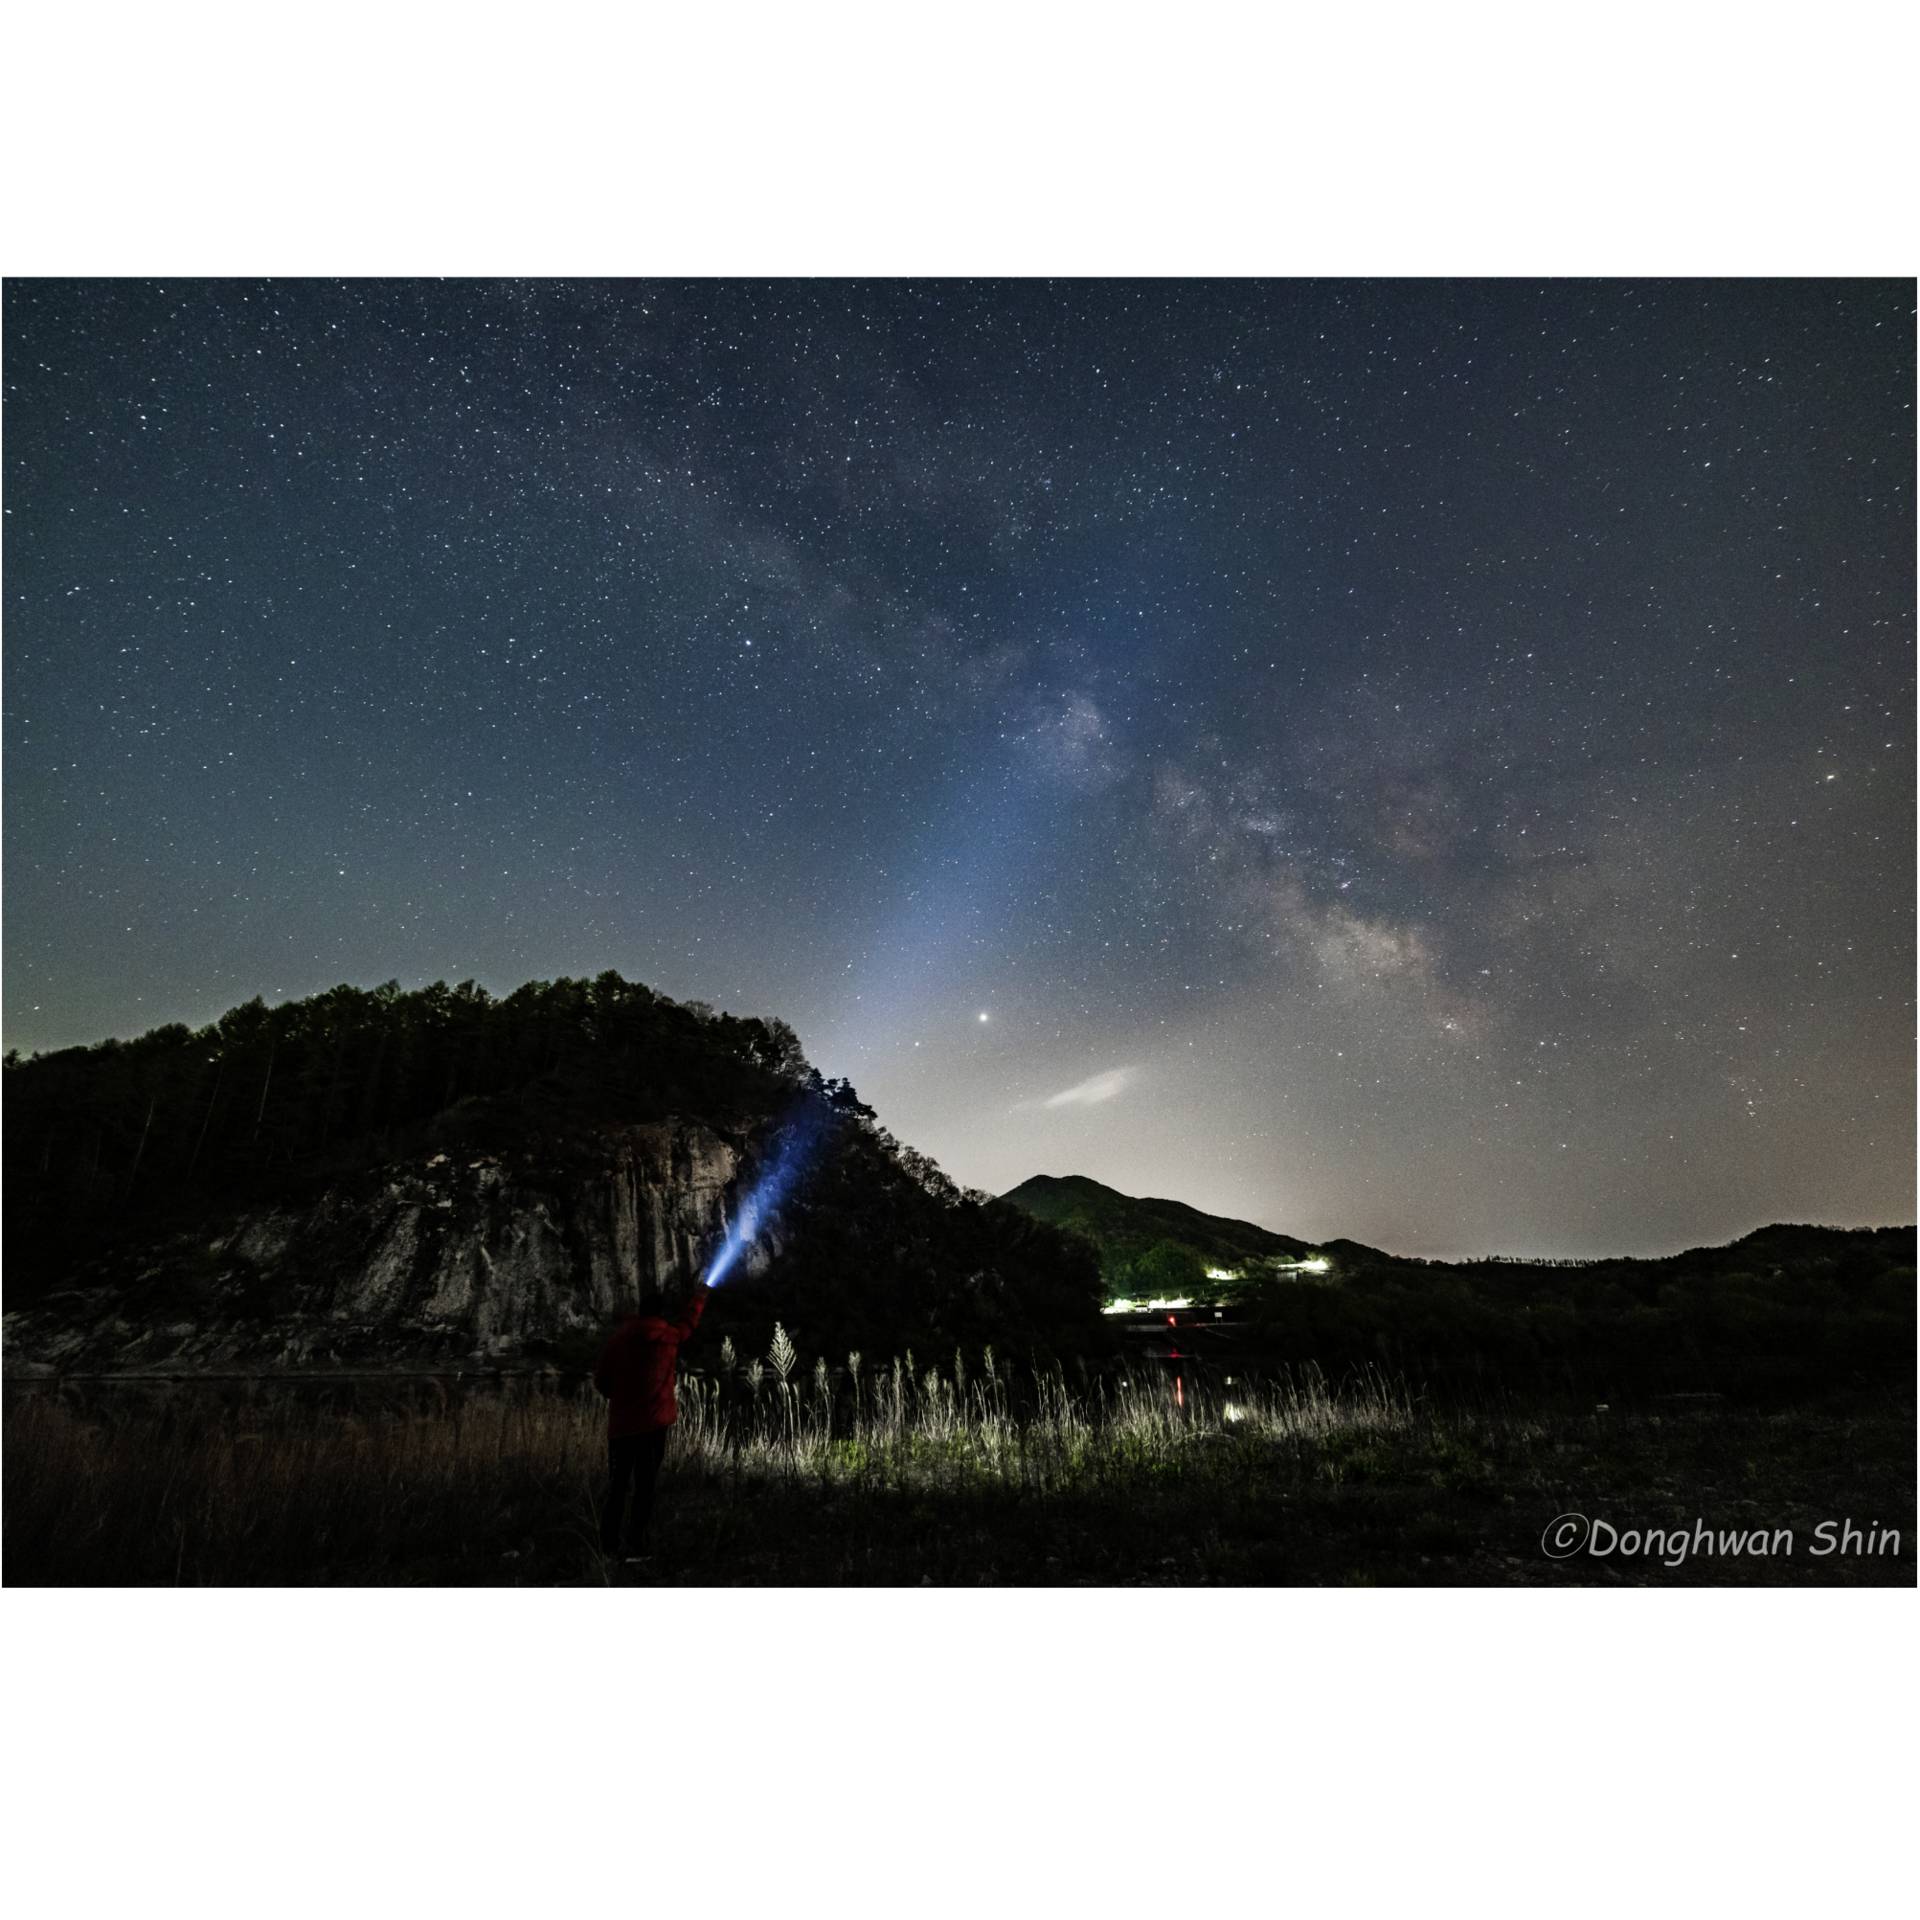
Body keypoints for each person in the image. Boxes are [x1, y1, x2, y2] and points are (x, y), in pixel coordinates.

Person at [592, 1282, 709, 1560]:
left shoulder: (619, 1339)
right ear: (660, 1314)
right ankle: (637, 1545)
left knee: (617, 1486)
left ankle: (608, 1547)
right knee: (645, 1486)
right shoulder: (668, 1337)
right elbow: (688, 1326)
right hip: (654, 1428)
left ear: (640, 1312)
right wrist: (700, 1296)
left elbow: (601, 1381)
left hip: (621, 1428)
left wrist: (618, 1397)